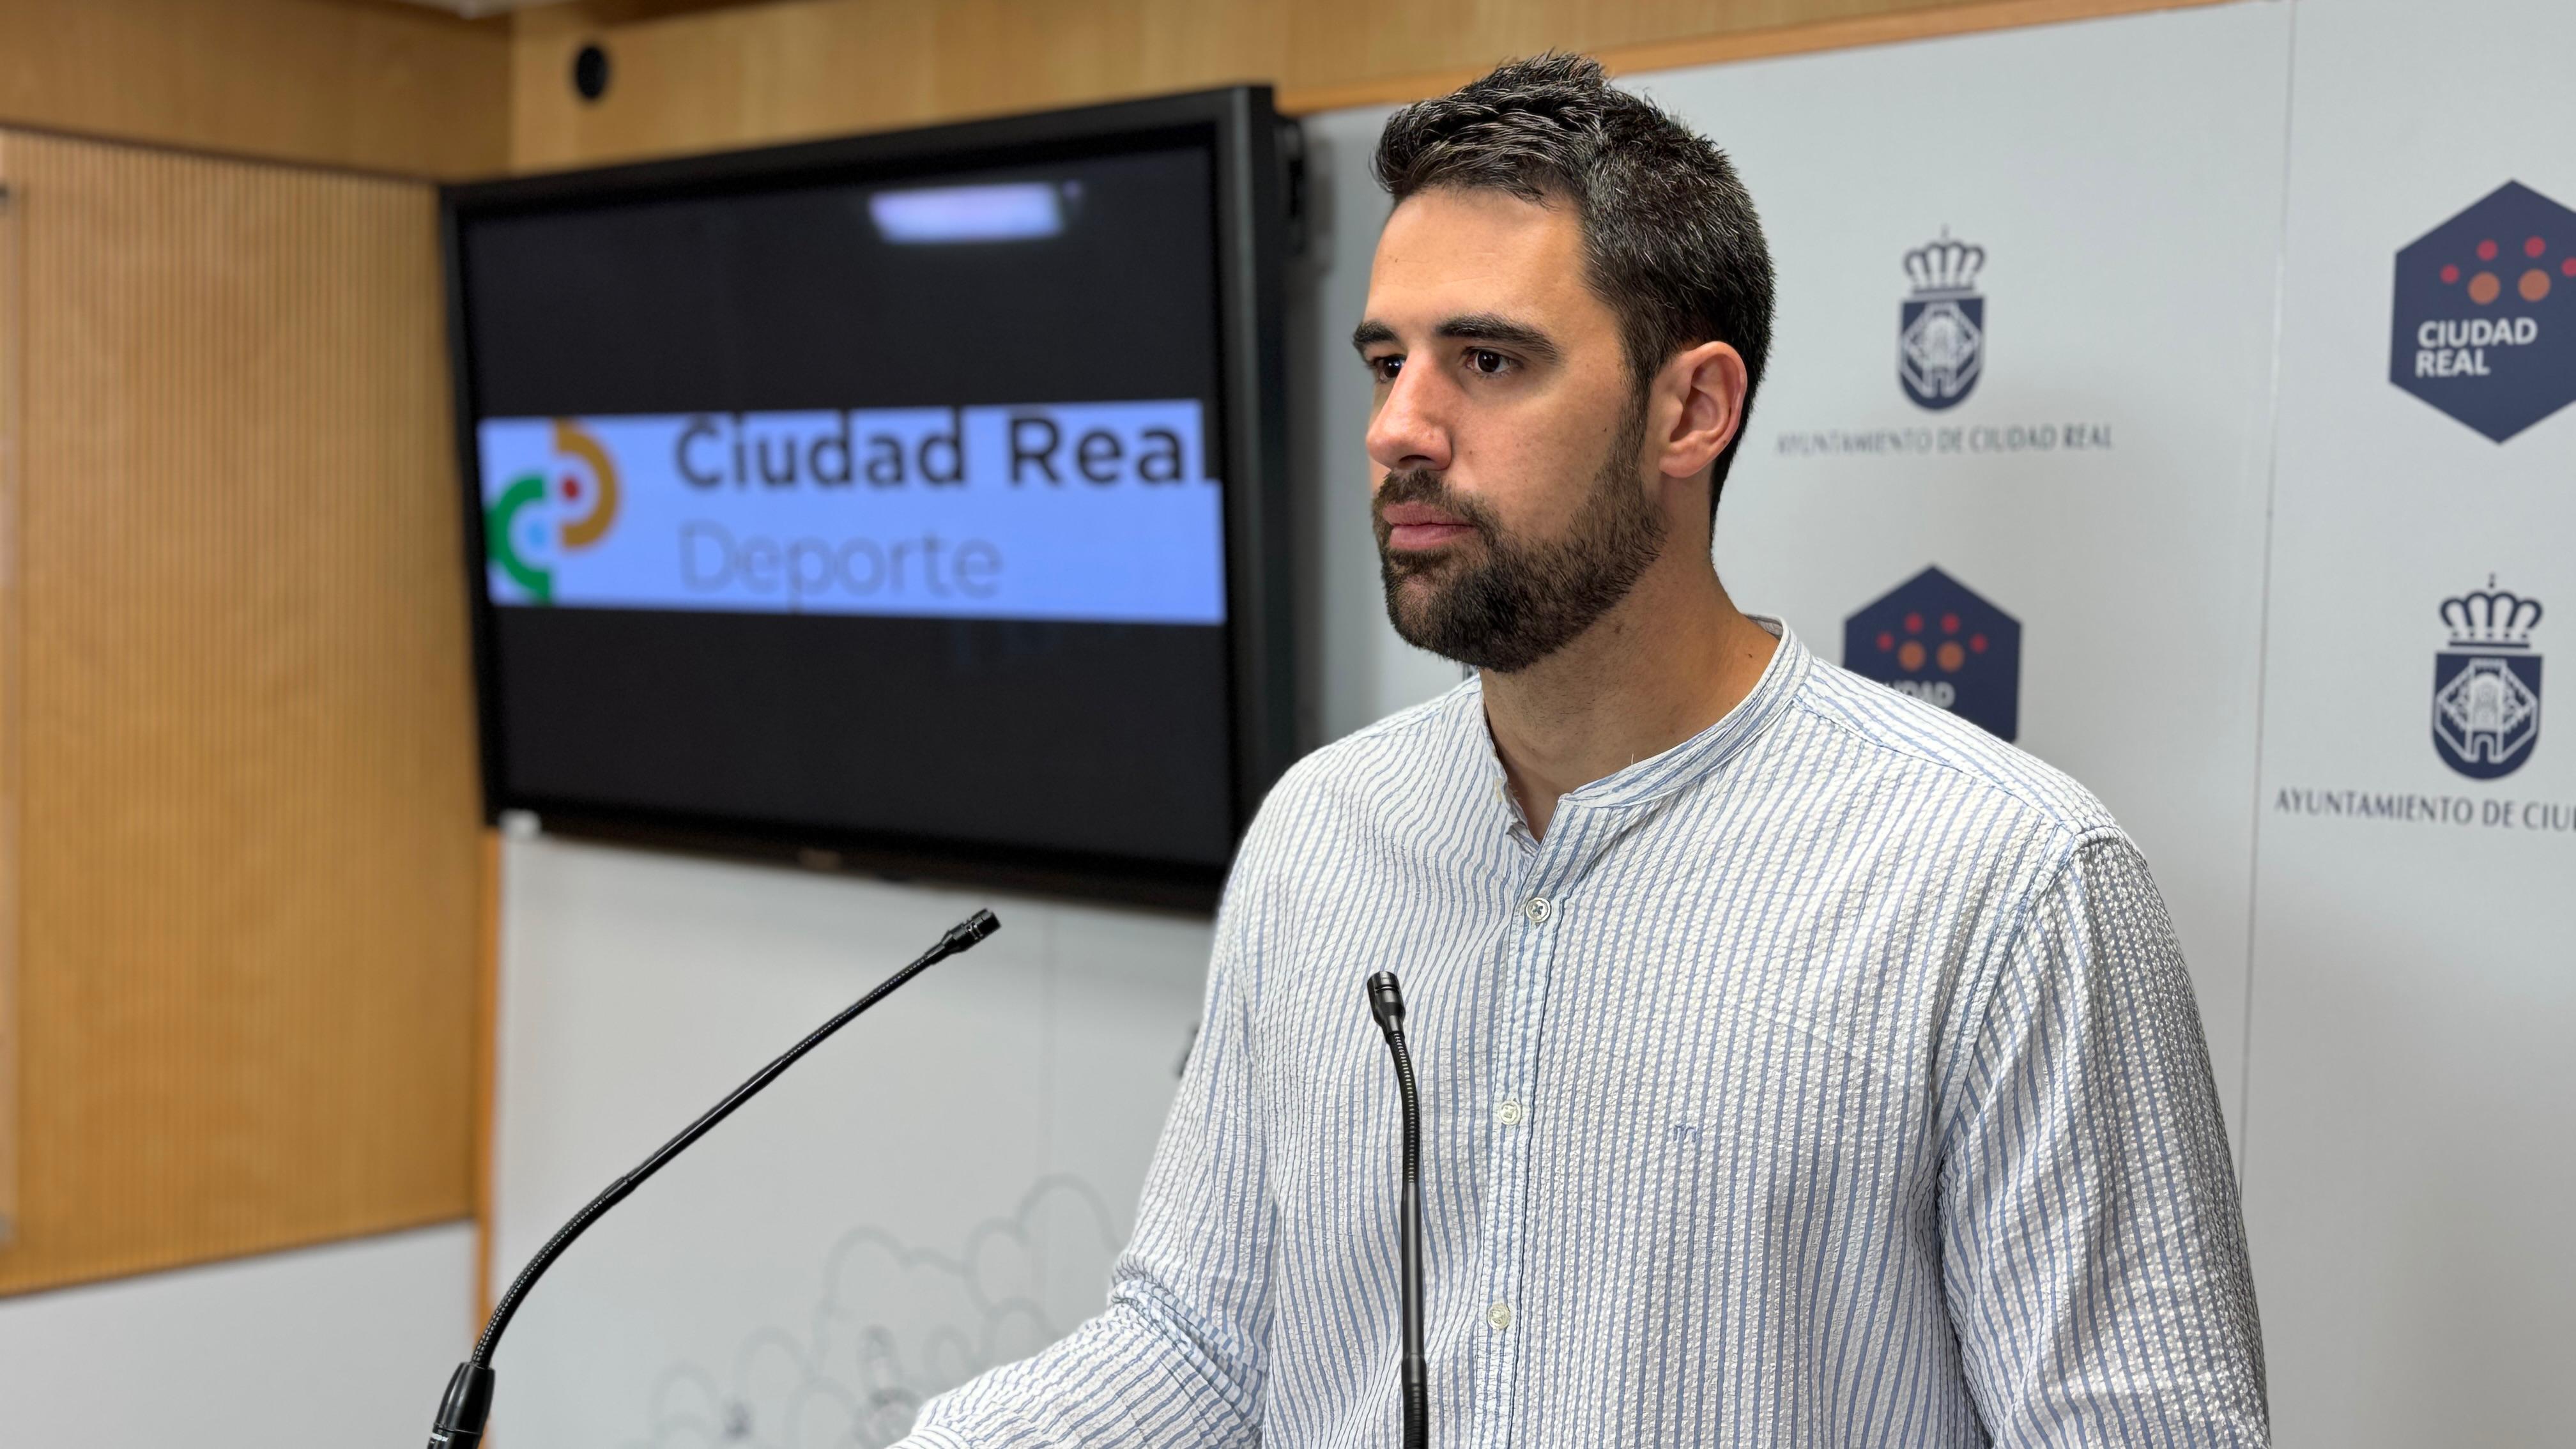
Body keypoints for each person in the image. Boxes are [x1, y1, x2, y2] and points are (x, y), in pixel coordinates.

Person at [903, 53, 2266, 1448]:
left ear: (1691, 411)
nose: (1397, 429)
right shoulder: (1322, 828)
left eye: (1487, 362)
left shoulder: (2008, 885)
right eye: (1387, 363)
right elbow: (1205, 1344)